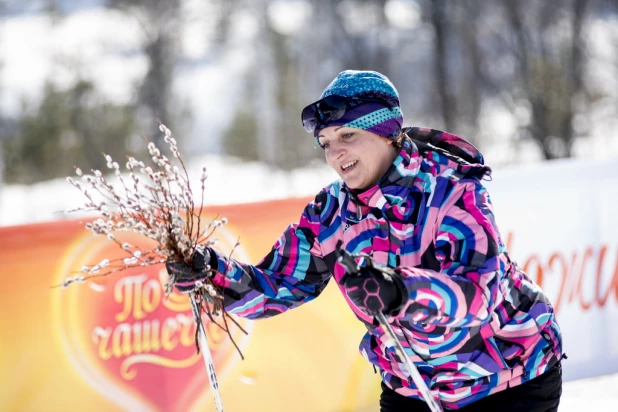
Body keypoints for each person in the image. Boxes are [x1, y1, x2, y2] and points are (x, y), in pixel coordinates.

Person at [167, 70, 565, 411]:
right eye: (325, 143)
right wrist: (212, 274)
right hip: (413, 384)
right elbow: (277, 285)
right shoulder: (333, 212)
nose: (335, 153)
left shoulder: (451, 191)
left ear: (387, 131)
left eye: (347, 135)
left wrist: (400, 292)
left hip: (508, 378)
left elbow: (477, 295)